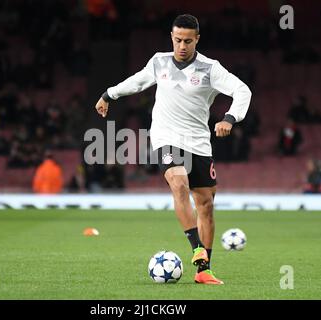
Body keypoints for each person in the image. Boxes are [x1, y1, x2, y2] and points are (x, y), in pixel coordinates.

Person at [94, 14, 252, 285]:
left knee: (206, 205)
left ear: (197, 40)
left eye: (188, 41)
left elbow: (243, 91)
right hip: (166, 137)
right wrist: (109, 94)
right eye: (178, 39)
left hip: (199, 142)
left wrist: (229, 118)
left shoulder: (210, 68)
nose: (182, 45)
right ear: (172, 37)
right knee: (179, 184)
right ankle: (196, 248)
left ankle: (204, 270)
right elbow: (137, 81)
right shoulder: (159, 62)